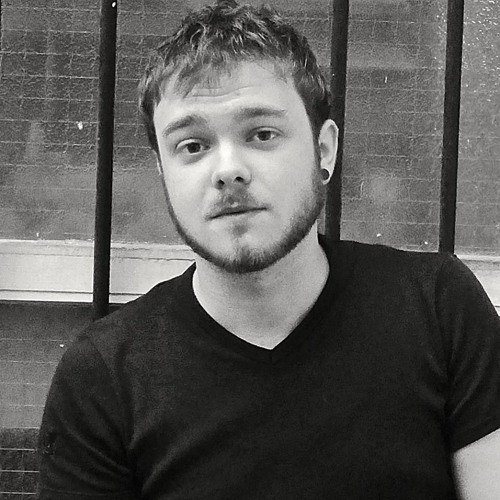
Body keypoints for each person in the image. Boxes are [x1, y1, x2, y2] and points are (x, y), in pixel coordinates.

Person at [37, 1, 500, 498]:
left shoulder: (437, 309)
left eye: (261, 134)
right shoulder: (103, 378)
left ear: (324, 150)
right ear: (163, 172)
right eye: (192, 145)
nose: (228, 170)